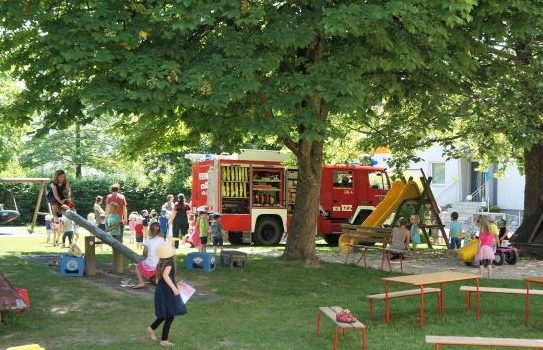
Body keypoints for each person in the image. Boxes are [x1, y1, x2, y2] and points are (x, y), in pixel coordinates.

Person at [147, 243, 187, 347]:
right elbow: (165, 276)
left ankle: (152, 328)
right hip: (167, 291)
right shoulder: (170, 262)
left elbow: (158, 278)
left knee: (166, 314)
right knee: (169, 315)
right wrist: (174, 288)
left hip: (162, 290)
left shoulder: (161, 262)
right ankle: (163, 340)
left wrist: (174, 285)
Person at [134, 222, 165, 289]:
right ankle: (158, 282)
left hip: (150, 265)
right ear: (159, 230)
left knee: (137, 266)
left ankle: (141, 282)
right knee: (157, 268)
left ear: (150, 230)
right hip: (159, 266)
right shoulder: (162, 240)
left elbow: (144, 253)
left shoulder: (147, 240)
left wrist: (146, 254)